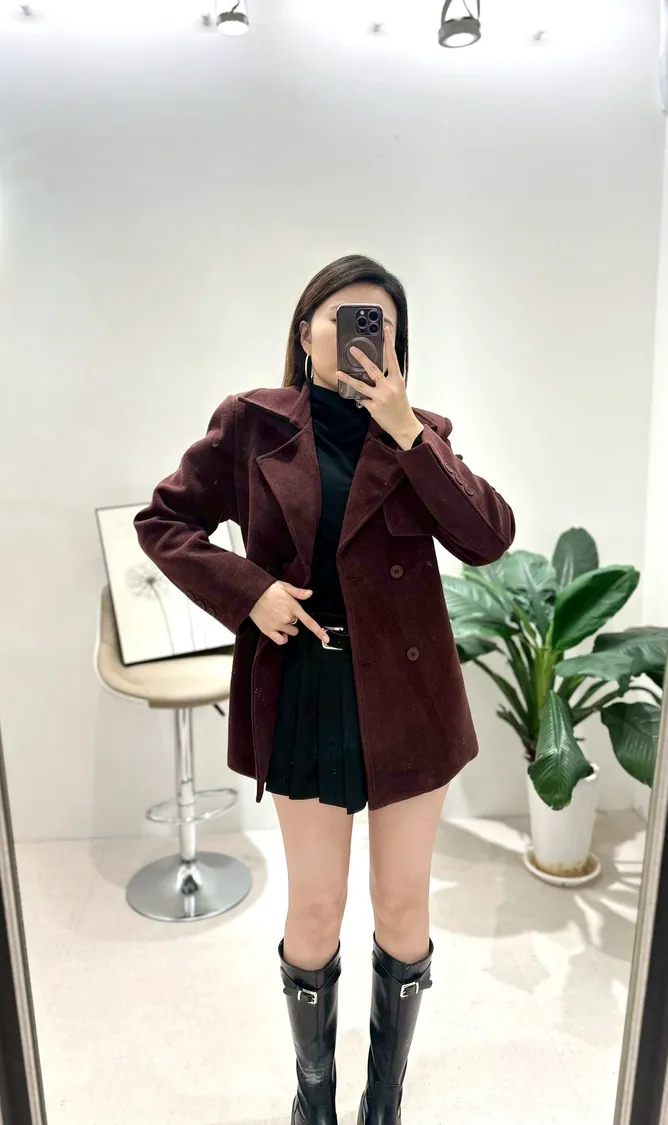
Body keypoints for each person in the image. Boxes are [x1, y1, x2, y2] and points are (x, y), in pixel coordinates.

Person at [134, 254, 515, 1125]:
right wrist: (250, 592)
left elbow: (489, 537)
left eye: (379, 325)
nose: (359, 337)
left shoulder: (421, 434)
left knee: (402, 903)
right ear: (305, 331)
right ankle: (315, 1101)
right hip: (305, 684)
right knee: (314, 906)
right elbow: (164, 521)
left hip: (410, 696)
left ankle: (384, 1100)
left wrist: (408, 431)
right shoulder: (251, 424)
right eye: (344, 317)